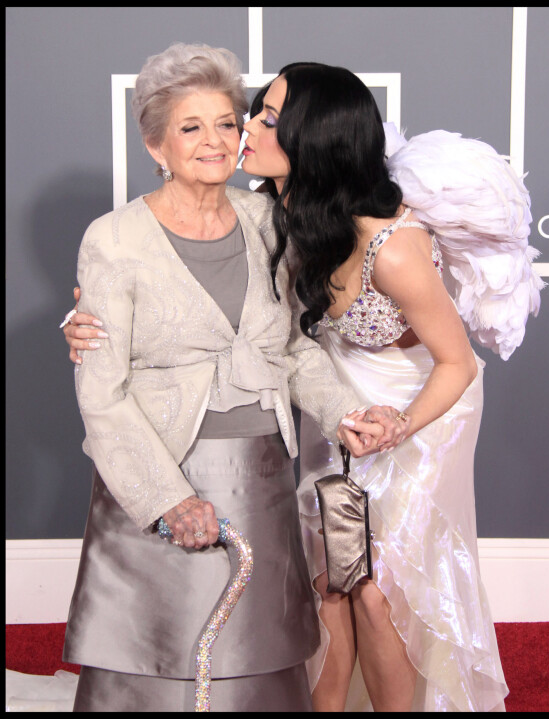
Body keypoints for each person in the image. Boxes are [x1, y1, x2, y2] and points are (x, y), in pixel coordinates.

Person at [64, 60, 540, 712]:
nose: (241, 132)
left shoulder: (372, 242)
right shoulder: (268, 208)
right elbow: (177, 295)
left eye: (258, 118)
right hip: (336, 393)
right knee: (331, 578)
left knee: (380, 584)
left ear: (312, 138)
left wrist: (385, 420)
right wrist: (89, 317)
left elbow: (437, 362)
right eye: (252, 112)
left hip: (419, 402)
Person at [59, 44, 386, 713]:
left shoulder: (268, 221)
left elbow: (293, 349)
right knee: (156, 647)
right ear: (155, 144)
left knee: (256, 647)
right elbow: (103, 393)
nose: (215, 141)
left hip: (261, 468)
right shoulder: (113, 239)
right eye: (190, 127)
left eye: (227, 124)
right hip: (160, 465)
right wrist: (167, 498)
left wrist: (346, 412)